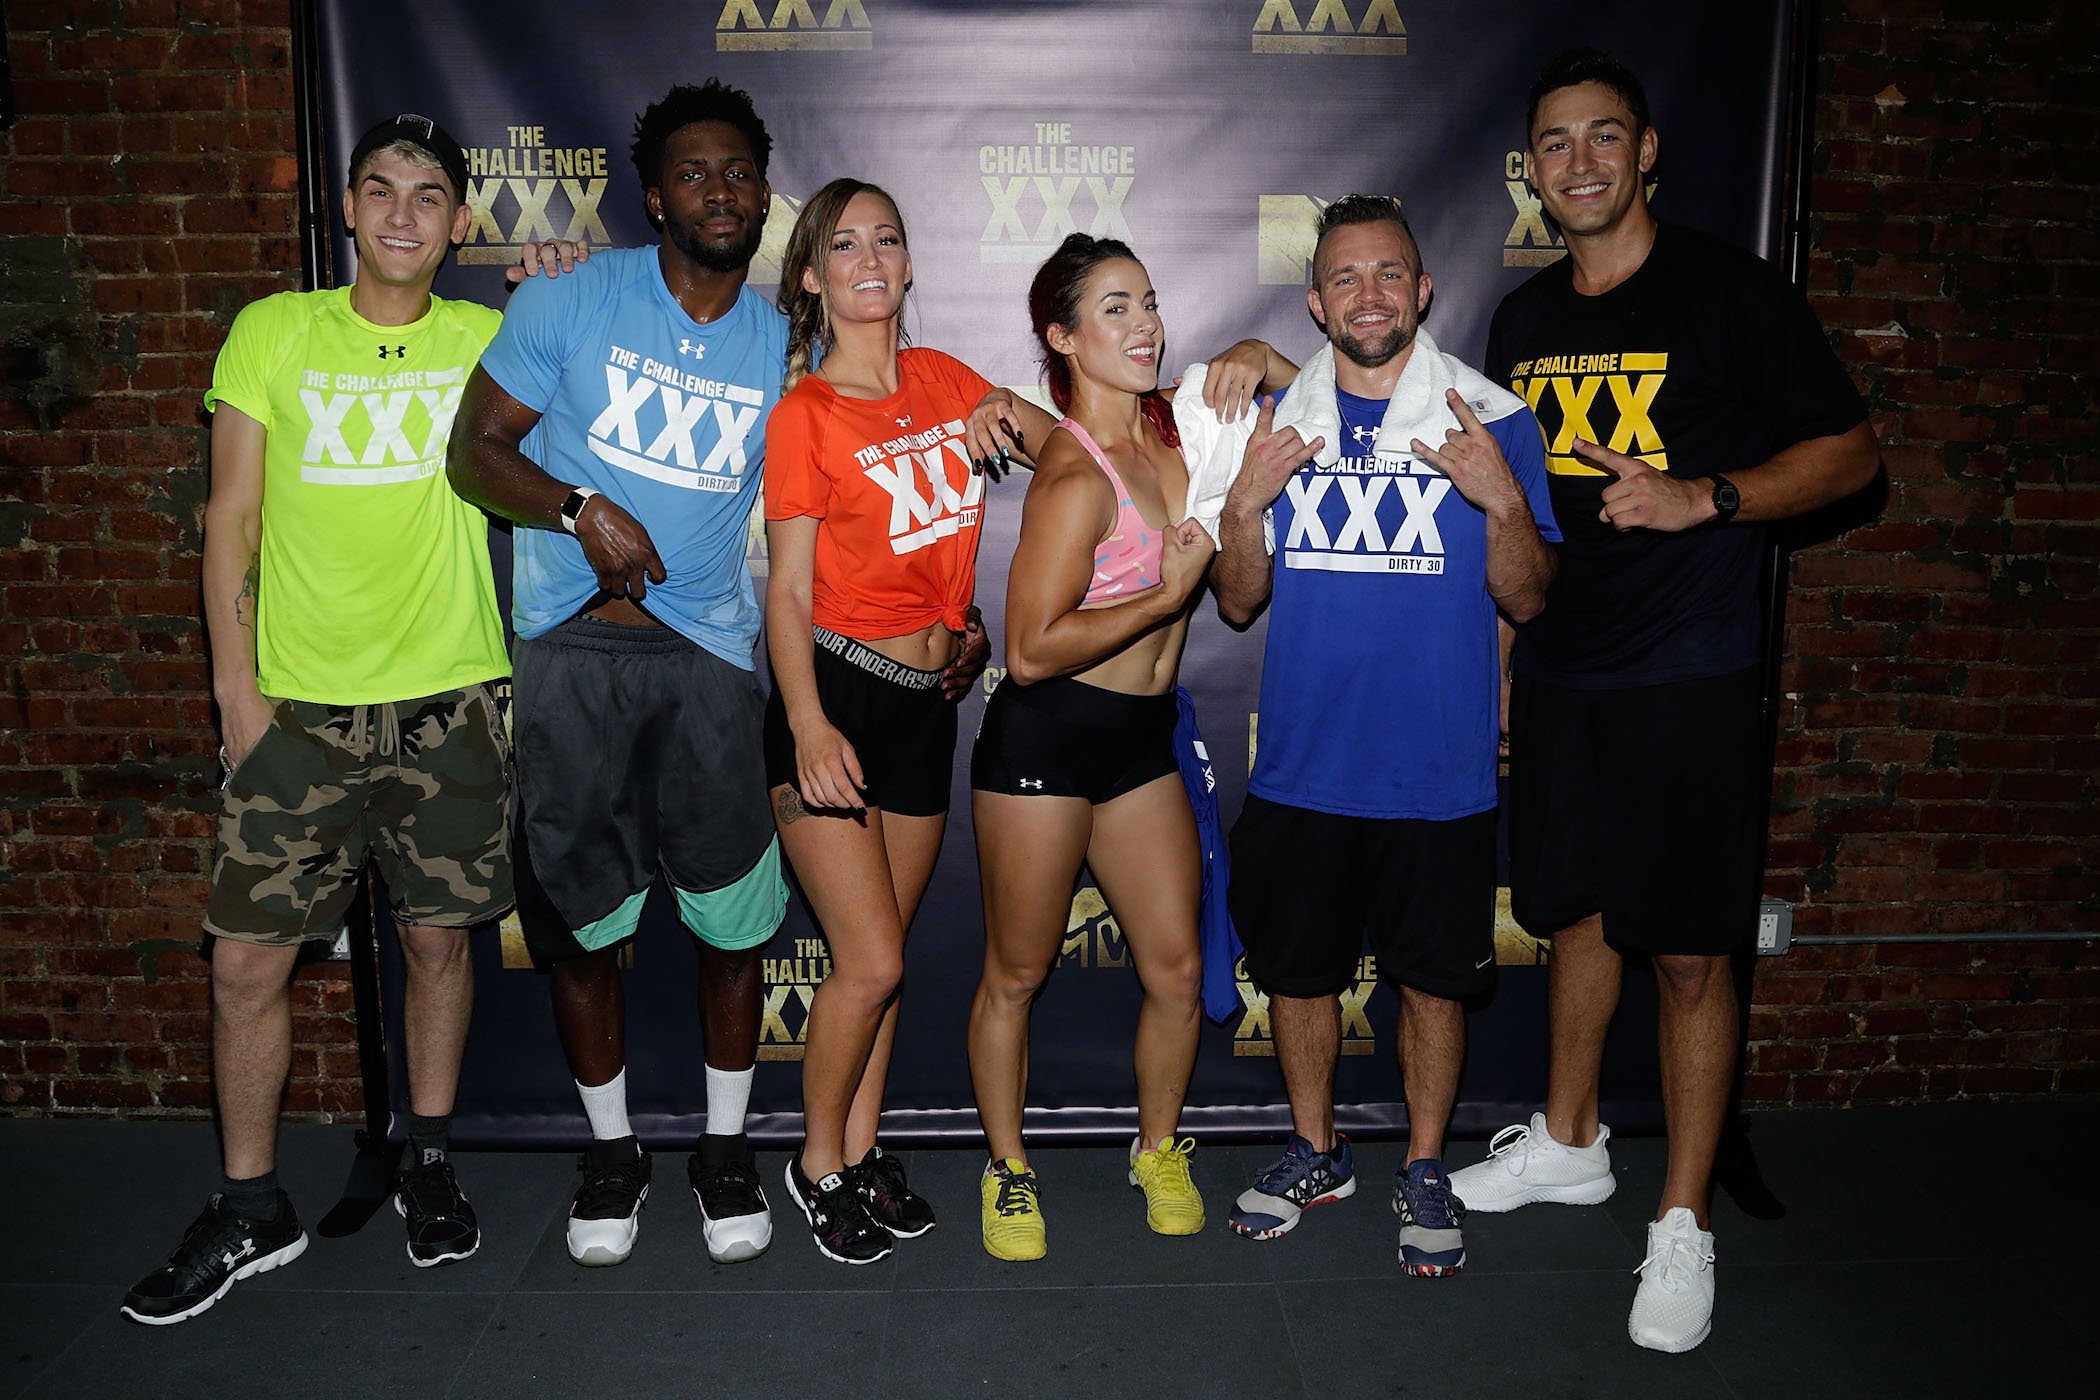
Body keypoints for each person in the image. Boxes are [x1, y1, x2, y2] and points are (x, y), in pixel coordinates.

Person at [1448, 50, 1875, 1352]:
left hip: (1688, 672)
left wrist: (1712, 493)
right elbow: (1515, 526)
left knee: (1689, 952)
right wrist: (1516, 673)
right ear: (1532, 171)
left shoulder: (1732, 292)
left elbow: (1853, 453)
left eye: (1602, 137)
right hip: (1568, 669)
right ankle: (1574, 1141)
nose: (1577, 163)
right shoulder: (1521, 324)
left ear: (1645, 153)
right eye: (1553, 145)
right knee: (1577, 910)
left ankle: (1680, 1218)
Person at [123, 115, 517, 1323]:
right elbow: (227, 520)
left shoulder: (495, 340)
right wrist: (235, 692)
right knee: (246, 963)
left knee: (441, 943)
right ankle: (251, 1206)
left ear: (459, 224)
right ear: (348, 207)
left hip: (452, 697)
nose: (403, 212)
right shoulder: (273, 331)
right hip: (297, 708)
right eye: (381, 189)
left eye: (430, 195)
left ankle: (430, 1160)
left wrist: (553, 281)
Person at [448, 80, 791, 1270]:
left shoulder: (782, 340)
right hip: (570, 648)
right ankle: (611, 1152)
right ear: (654, 196)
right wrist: (578, 506)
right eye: (695, 172)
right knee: (584, 921)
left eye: (741, 171)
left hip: (704, 655)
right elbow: (472, 451)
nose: (721, 190)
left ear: (764, 194)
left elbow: (868, 440)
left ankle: (726, 1147)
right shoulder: (574, 295)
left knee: (733, 921)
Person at [1206, 197, 1559, 1279]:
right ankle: (1317, 1148)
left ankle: (1421, 1162)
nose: (1369, 294)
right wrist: (1243, 512)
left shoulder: (1493, 419)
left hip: (1437, 771)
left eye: (1389, 274)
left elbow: (1534, 598)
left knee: (1435, 983)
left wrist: (1503, 507)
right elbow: (1233, 603)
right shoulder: (1279, 421)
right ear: (1316, 301)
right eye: (1346, 278)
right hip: (1306, 765)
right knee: (1300, 975)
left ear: (1424, 291)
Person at [966, 232, 1239, 1262]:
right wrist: (1164, 594)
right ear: (1064, 335)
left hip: (1140, 741)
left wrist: (1254, 345)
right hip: (1045, 740)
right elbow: (1030, 650)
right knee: (1016, 973)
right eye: (1114, 309)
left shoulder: (1180, 436)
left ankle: (1157, 1147)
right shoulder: (1071, 481)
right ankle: (1009, 1165)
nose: (1145, 325)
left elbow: (1287, 384)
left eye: (1150, 302)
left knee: (1174, 968)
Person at [760, 178, 999, 1264]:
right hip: (835, 697)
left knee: (889, 958)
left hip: (924, 705)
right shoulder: (806, 411)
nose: (868, 258)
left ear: (908, 264)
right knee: (865, 959)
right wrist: (808, 722)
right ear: (811, 274)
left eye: (887, 239)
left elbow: (1057, 443)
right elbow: (791, 590)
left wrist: (969, 621)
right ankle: (815, 1163)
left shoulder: (948, 380)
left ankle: (858, 1153)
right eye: (842, 243)